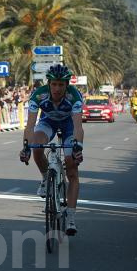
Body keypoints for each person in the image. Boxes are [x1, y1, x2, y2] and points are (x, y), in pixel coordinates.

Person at [19, 64, 84, 236]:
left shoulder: (74, 96)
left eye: (61, 85)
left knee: (72, 167)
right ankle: (45, 177)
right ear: (48, 83)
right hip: (48, 122)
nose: (57, 88)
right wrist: (25, 146)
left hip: (69, 125)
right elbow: (30, 126)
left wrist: (78, 147)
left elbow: (78, 127)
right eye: (54, 84)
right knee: (37, 144)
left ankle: (70, 217)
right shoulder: (39, 95)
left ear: (67, 85)